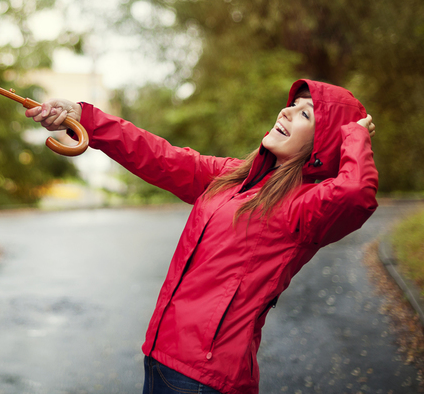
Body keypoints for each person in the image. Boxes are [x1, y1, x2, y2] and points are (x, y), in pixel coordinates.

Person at [25, 79, 377, 394]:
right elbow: (158, 155)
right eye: (292, 104)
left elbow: (356, 194)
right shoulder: (232, 177)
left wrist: (354, 135)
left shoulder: (305, 207)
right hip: (162, 356)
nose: (286, 111)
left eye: (305, 114)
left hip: (206, 378)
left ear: (324, 142)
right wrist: (85, 118)